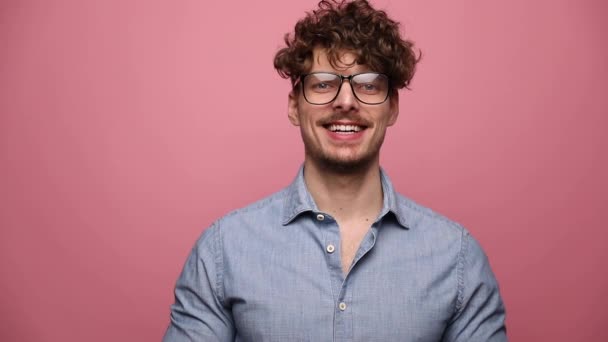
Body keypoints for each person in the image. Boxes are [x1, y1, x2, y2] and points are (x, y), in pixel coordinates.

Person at [163, 0, 507, 340]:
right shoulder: (224, 250)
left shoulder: (456, 258)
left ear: (392, 109)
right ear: (294, 106)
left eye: (368, 84)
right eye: (324, 83)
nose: (346, 101)